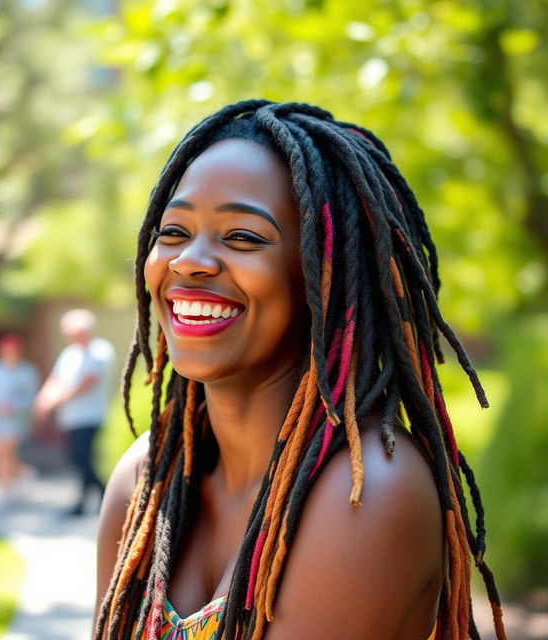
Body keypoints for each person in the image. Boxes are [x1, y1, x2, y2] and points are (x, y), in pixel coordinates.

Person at [94, 101, 506, 640]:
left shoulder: (367, 493)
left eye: (242, 237)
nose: (189, 261)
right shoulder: (145, 479)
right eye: (172, 231)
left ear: (322, 278)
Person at [35, 309, 116, 516]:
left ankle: (104, 497)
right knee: (77, 459)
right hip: (71, 418)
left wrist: (59, 400)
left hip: (92, 416)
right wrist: (43, 401)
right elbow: (56, 380)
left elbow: (89, 381)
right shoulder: (69, 354)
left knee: (85, 459)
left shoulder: (100, 351)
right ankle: (90, 500)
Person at [0, 333, 39, 506]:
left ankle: (3, 490)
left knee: (4, 452)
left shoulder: (26, 371)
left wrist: (12, 406)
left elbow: (30, 397)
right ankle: (23, 472)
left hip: (15, 421)